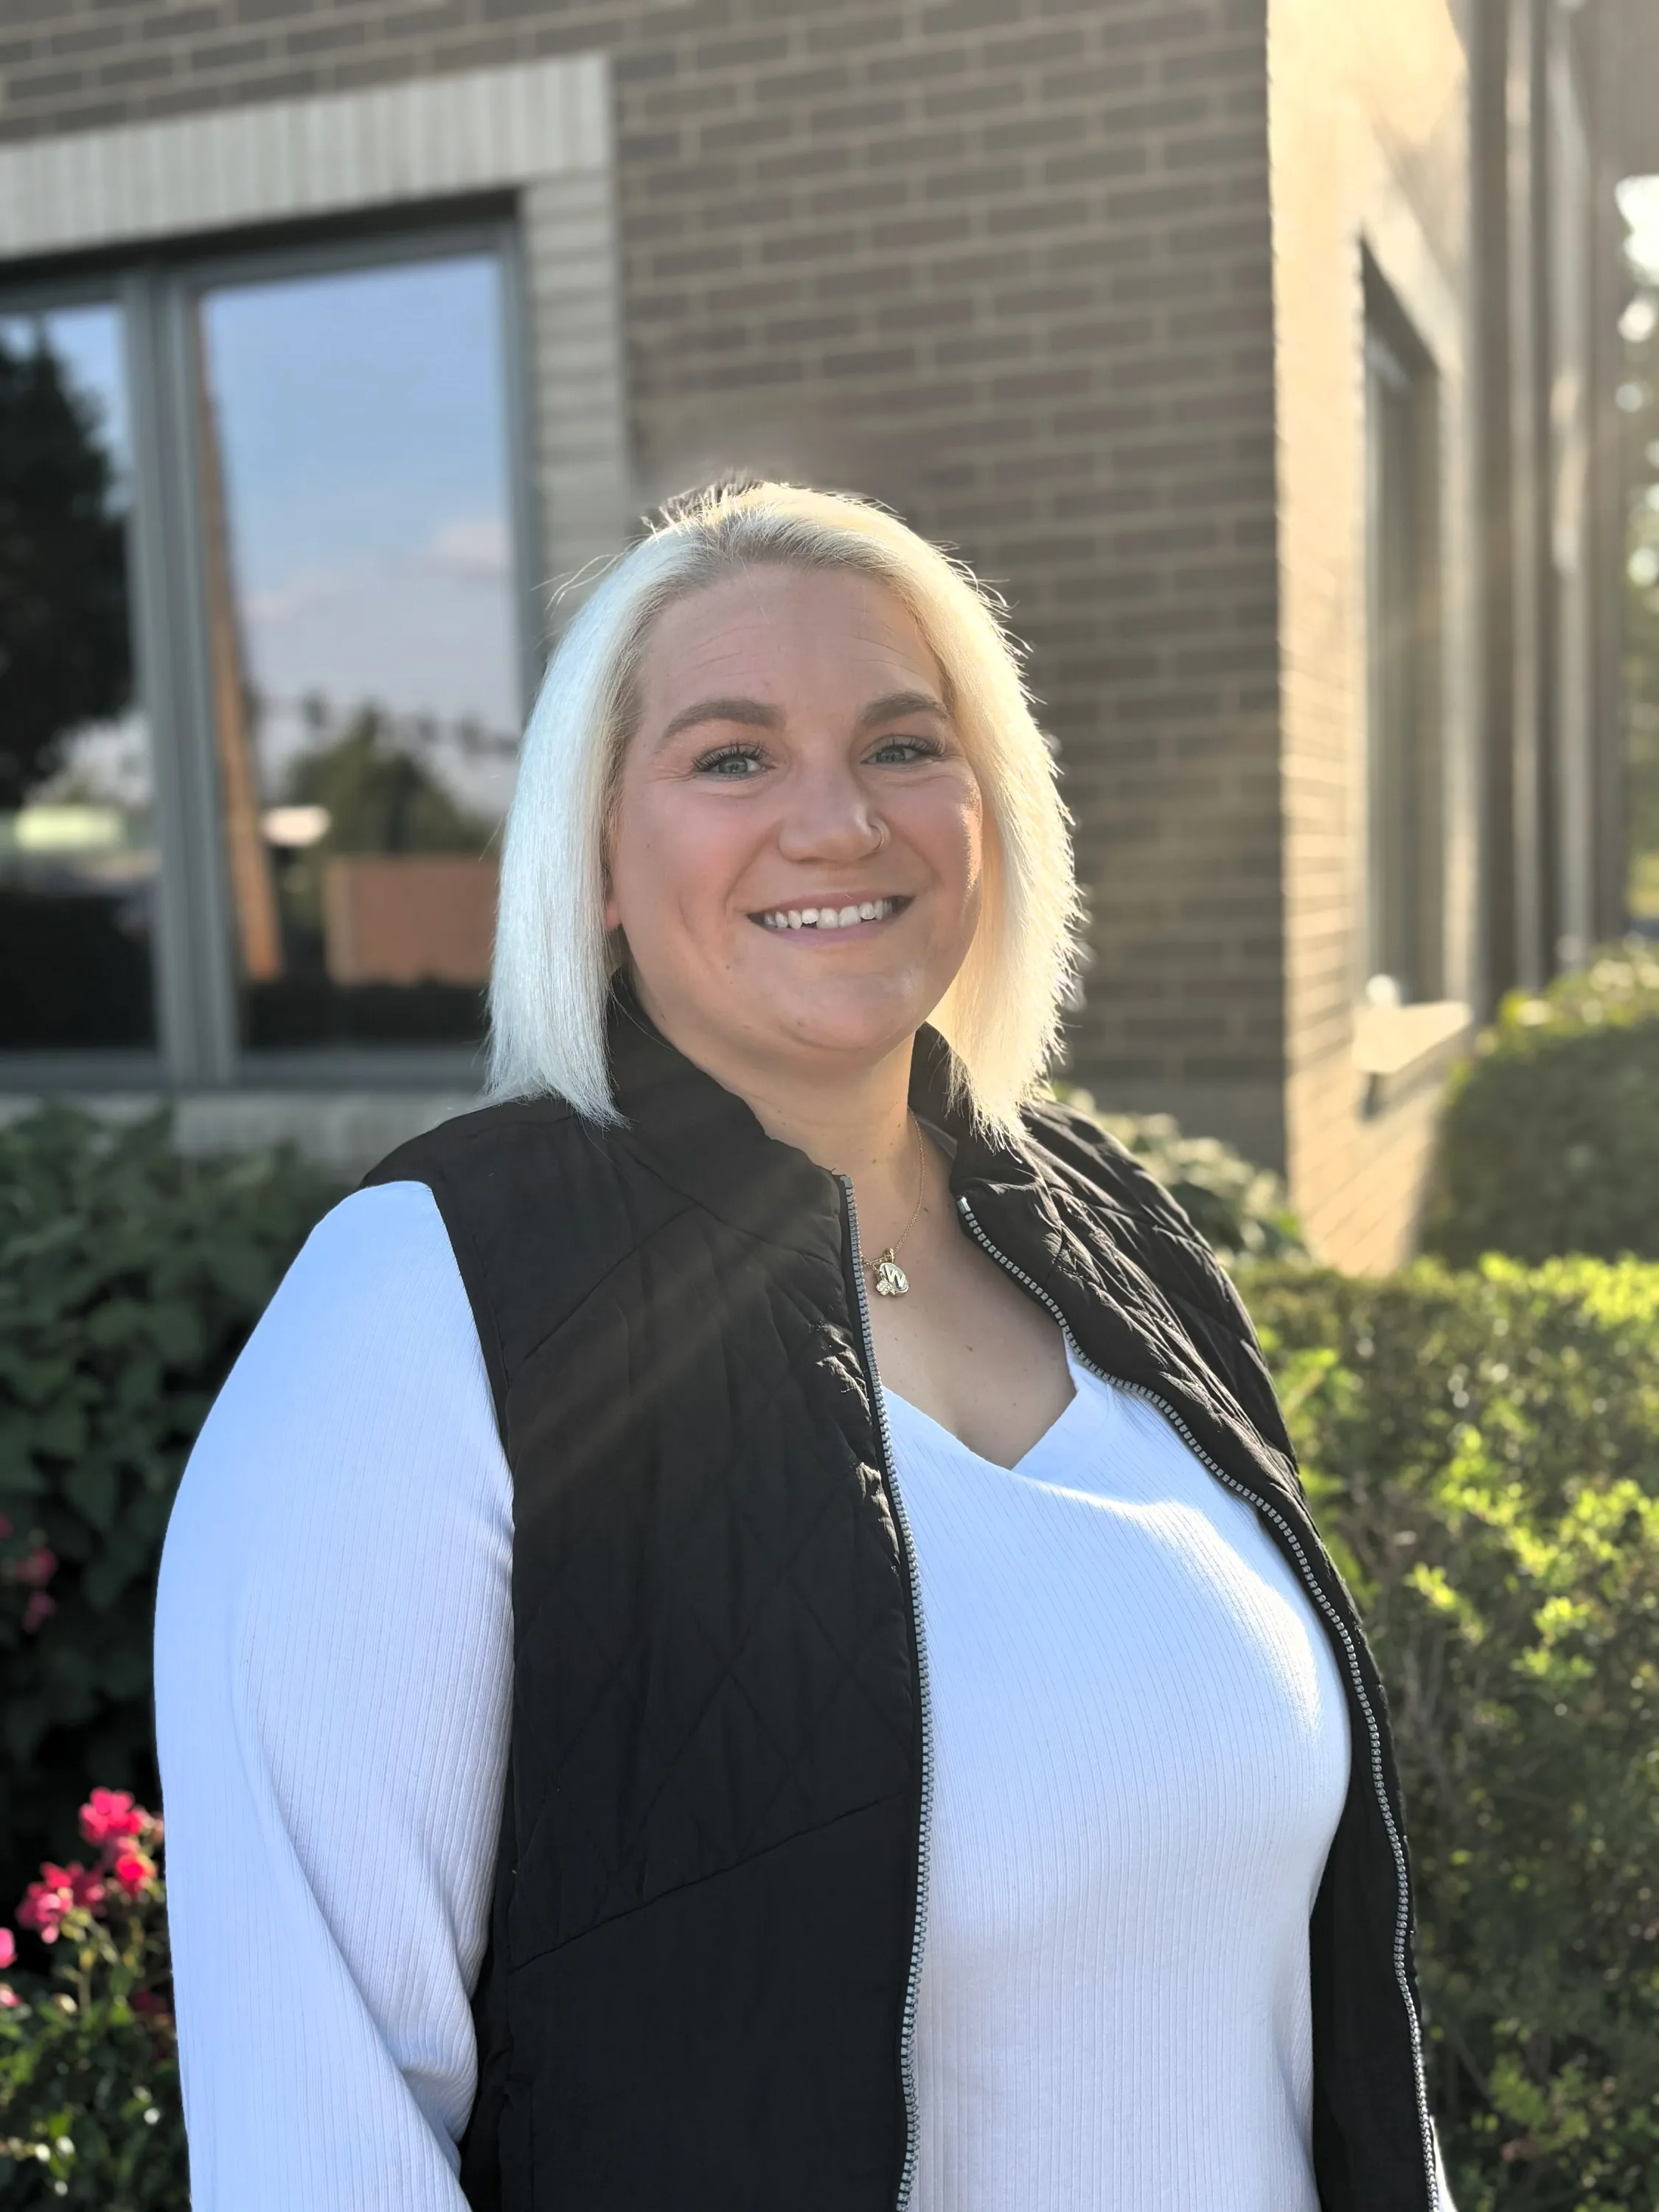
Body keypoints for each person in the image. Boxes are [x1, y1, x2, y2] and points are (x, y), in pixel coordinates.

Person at [155, 481, 1453, 2211]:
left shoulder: (1116, 1237)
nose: (839, 823)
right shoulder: (421, 1307)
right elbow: (321, 2131)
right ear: (598, 857)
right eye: (732, 757)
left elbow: (1327, 2017)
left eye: (904, 744)